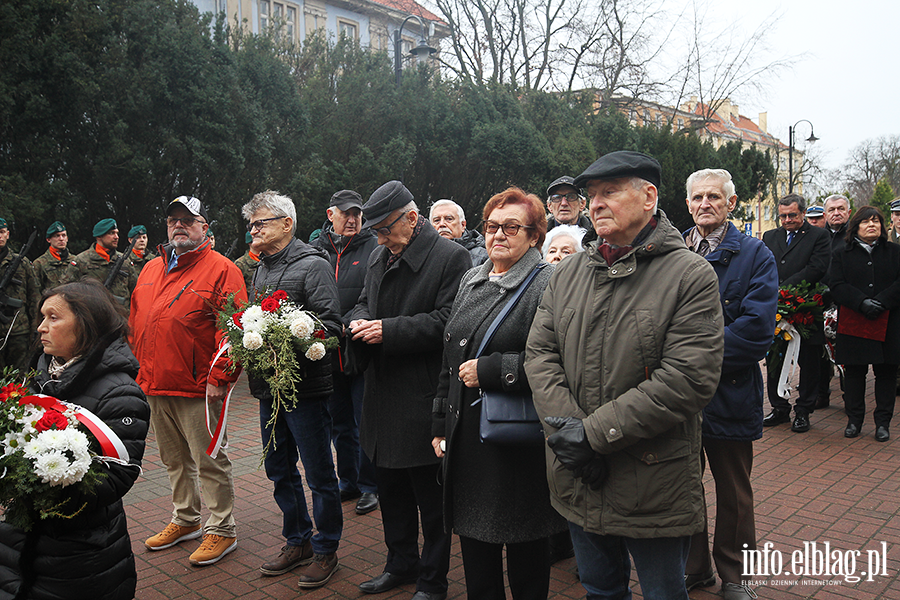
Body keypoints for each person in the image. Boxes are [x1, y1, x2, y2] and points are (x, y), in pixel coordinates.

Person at [525, 151, 724, 600]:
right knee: (600, 589)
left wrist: (592, 435)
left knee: (662, 592)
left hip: (651, 479)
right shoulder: (568, 273)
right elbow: (540, 353)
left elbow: (688, 378)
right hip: (578, 474)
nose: (595, 204)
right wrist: (570, 434)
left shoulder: (690, 275)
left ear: (649, 196)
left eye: (609, 192)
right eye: (591, 195)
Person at [431, 187, 566, 600]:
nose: (499, 235)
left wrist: (494, 370)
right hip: (466, 438)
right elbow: (449, 357)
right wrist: (439, 424)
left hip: (516, 441)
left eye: (512, 227)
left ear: (534, 235)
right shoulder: (473, 278)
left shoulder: (547, 283)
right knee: (476, 556)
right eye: (492, 226)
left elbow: (560, 359)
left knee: (526, 557)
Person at [349, 181, 471, 600]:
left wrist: (388, 330)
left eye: (385, 229)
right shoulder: (381, 253)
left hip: (422, 398)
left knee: (431, 505)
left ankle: (433, 581)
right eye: (376, 231)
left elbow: (449, 323)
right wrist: (360, 321)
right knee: (392, 494)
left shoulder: (451, 257)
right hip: (381, 396)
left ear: (412, 218)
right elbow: (364, 300)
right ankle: (400, 564)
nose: (380, 238)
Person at [0, 279, 150, 600]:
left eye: (53, 318)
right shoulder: (42, 373)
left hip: (82, 550)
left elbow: (117, 475)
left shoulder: (120, 391)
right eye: (42, 317)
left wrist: (41, 481)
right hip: (23, 534)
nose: (41, 327)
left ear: (86, 323)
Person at [130, 196, 247, 567]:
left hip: (199, 385)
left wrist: (221, 376)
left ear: (204, 227)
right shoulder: (151, 269)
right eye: (172, 220)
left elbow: (234, 329)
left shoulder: (222, 269)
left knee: (209, 458)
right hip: (154, 383)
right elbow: (136, 323)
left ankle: (222, 529)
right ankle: (186, 518)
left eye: (188, 219)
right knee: (173, 459)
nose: (179, 225)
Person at [681, 169, 778, 600]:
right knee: (682, 485)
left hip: (729, 388)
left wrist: (686, 355)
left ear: (731, 203)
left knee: (734, 491)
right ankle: (693, 567)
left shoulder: (756, 255)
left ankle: (736, 575)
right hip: (676, 395)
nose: (705, 204)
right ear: (687, 204)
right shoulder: (671, 252)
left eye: (714, 197)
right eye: (697, 197)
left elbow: (756, 331)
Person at [242, 190, 344, 588]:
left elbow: (331, 327)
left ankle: (326, 548)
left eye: (261, 222)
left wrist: (287, 335)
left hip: (305, 389)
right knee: (278, 467)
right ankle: (297, 540)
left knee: (319, 472)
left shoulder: (313, 265)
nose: (254, 230)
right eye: (251, 224)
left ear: (287, 224)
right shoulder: (261, 268)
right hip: (269, 388)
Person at [311, 189, 380, 516]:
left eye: (357, 213)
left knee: (365, 419)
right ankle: (348, 481)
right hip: (326, 353)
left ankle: (370, 485)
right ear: (330, 214)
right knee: (339, 423)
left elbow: (372, 295)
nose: (352, 219)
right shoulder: (316, 250)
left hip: (361, 349)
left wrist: (350, 323)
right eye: (345, 213)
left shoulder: (374, 248)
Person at [761, 194, 832, 433]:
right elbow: (764, 265)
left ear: (802, 214)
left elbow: (817, 268)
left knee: (809, 361)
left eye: (792, 215)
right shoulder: (770, 236)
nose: (788, 220)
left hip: (805, 307)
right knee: (774, 359)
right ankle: (779, 408)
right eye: (783, 216)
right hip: (775, 309)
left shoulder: (820, 236)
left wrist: (785, 290)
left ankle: (803, 410)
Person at [830, 206, 900, 442]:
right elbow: (836, 285)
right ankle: (854, 420)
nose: (872, 225)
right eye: (866, 222)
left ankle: (883, 423)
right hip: (855, 320)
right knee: (854, 374)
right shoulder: (841, 253)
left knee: (886, 373)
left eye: (876, 221)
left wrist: (881, 301)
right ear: (856, 227)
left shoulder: (895, 252)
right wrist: (861, 302)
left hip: (887, 319)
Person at [0, 218, 40, 371]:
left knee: (18, 377)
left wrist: (35, 328)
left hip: (19, 331)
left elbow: (34, 296)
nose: (0, 236)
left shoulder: (22, 263)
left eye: (2, 232)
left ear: (8, 234)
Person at [73, 218, 137, 308]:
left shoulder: (125, 261)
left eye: (117, 233)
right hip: (93, 315)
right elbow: (68, 292)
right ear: (99, 236)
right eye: (111, 233)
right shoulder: (81, 260)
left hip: (121, 316)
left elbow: (136, 290)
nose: (116, 237)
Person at [429, 199, 489, 266]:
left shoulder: (482, 257)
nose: (442, 224)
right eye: (437, 220)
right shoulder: (424, 256)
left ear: (463, 225)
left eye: (449, 219)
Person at [32, 221, 78, 292]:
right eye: (57, 236)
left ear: (67, 238)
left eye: (63, 235)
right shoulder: (40, 263)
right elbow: (35, 291)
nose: (61, 239)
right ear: (48, 239)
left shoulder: (76, 261)